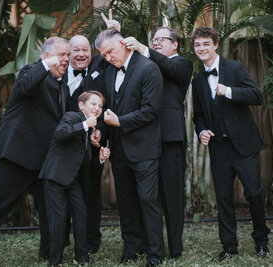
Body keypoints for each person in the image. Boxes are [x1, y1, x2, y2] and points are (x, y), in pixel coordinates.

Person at [0, 37, 70, 266]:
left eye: (68, 56)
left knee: (51, 209)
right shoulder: (30, 72)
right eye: (62, 55)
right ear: (46, 56)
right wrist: (44, 64)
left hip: (41, 162)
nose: (67, 60)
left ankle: (49, 255)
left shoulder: (62, 85)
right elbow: (25, 87)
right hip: (13, 156)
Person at [191, 26, 270, 262]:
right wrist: (202, 130)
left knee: (254, 194)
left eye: (206, 43)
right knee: (224, 199)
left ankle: (262, 243)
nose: (201, 48)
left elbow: (257, 96)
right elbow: (198, 116)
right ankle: (229, 246)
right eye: (197, 45)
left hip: (244, 146)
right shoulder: (197, 80)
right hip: (219, 148)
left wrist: (229, 91)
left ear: (215, 44)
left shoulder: (234, 68)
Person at [95, 29, 164, 267]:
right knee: (125, 201)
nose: (107, 58)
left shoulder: (149, 68)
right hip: (119, 149)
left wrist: (121, 121)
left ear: (124, 44)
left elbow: (151, 111)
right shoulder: (109, 72)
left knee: (147, 199)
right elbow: (107, 112)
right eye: (103, 55)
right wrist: (101, 134)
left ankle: (155, 254)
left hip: (145, 149)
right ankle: (131, 248)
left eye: (110, 51)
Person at [122, 27, 193, 259]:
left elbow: (169, 67)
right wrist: (118, 34)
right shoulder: (143, 64)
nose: (156, 43)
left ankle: (175, 248)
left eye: (161, 39)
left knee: (172, 195)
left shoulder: (182, 64)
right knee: (145, 196)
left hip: (169, 138)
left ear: (175, 45)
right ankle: (147, 244)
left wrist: (143, 47)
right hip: (143, 138)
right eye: (154, 40)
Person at [39, 90, 110, 267]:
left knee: (81, 215)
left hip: (73, 181)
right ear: (81, 105)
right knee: (58, 218)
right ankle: (55, 261)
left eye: (100, 106)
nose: (97, 108)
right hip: (55, 177)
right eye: (93, 104)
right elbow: (60, 133)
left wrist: (100, 157)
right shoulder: (72, 117)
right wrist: (85, 125)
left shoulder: (91, 131)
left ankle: (82, 256)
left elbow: (83, 162)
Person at [63, 35, 109, 253]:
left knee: (91, 195)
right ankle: (61, 240)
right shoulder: (58, 74)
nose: (81, 54)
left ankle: (91, 242)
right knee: (62, 195)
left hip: (92, 145)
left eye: (85, 50)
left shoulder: (100, 72)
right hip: (64, 146)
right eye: (75, 51)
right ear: (68, 54)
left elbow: (108, 108)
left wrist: (99, 131)